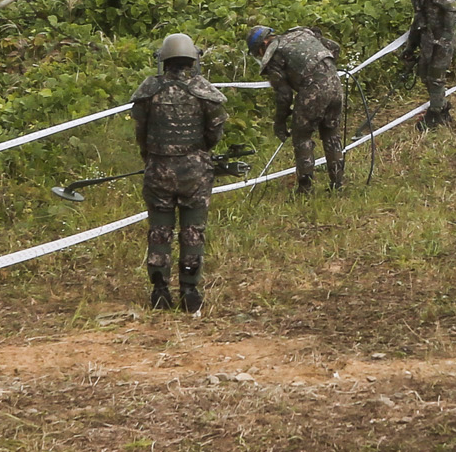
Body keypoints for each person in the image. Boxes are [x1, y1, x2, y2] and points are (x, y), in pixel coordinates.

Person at [131, 33, 226, 313]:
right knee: (192, 230)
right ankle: (189, 290)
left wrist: (151, 157)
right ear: (193, 60)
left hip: (158, 169)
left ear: (164, 59)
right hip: (194, 171)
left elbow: (141, 132)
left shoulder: (149, 90)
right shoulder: (204, 91)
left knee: (159, 230)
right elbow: (215, 132)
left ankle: (159, 289)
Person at [249, 25, 345, 193]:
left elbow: (284, 95)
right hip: (335, 84)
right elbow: (334, 48)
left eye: (258, 52)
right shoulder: (300, 34)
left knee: (301, 136)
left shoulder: (274, 55)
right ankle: (338, 183)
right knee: (331, 133)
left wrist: (280, 122)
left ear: (263, 44)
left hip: (313, 89)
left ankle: (305, 188)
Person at [399, 0, 456, 129]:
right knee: (425, 75)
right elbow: (418, 20)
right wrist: (411, 46)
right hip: (427, 40)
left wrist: (444, 41)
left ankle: (436, 115)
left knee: (436, 77)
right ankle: (442, 107)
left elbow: (451, 16)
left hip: (442, 41)